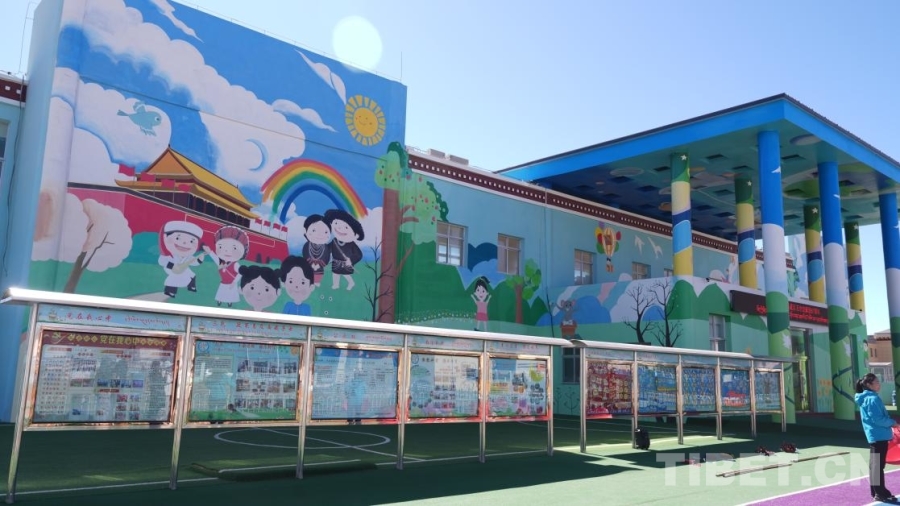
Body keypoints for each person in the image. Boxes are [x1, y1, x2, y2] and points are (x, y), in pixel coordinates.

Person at [855, 373, 900, 503]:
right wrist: (893, 423)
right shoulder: (872, 399)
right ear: (869, 385)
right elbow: (878, 419)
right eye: (876, 382)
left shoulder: (867, 398)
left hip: (875, 435)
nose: (879, 384)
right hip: (878, 436)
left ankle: (877, 493)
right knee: (877, 467)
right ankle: (881, 494)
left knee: (875, 466)